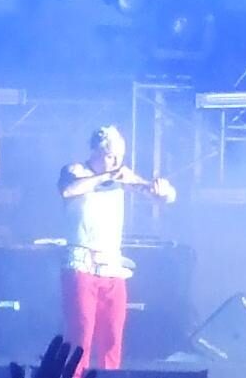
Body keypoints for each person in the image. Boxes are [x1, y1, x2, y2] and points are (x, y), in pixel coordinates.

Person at [58, 125, 177, 374]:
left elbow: (159, 195)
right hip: (81, 266)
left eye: (120, 156)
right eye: (111, 156)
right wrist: (105, 177)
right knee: (81, 334)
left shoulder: (120, 175)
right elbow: (68, 189)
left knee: (113, 336)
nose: (116, 162)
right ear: (96, 151)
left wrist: (162, 190)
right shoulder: (76, 170)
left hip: (112, 268)